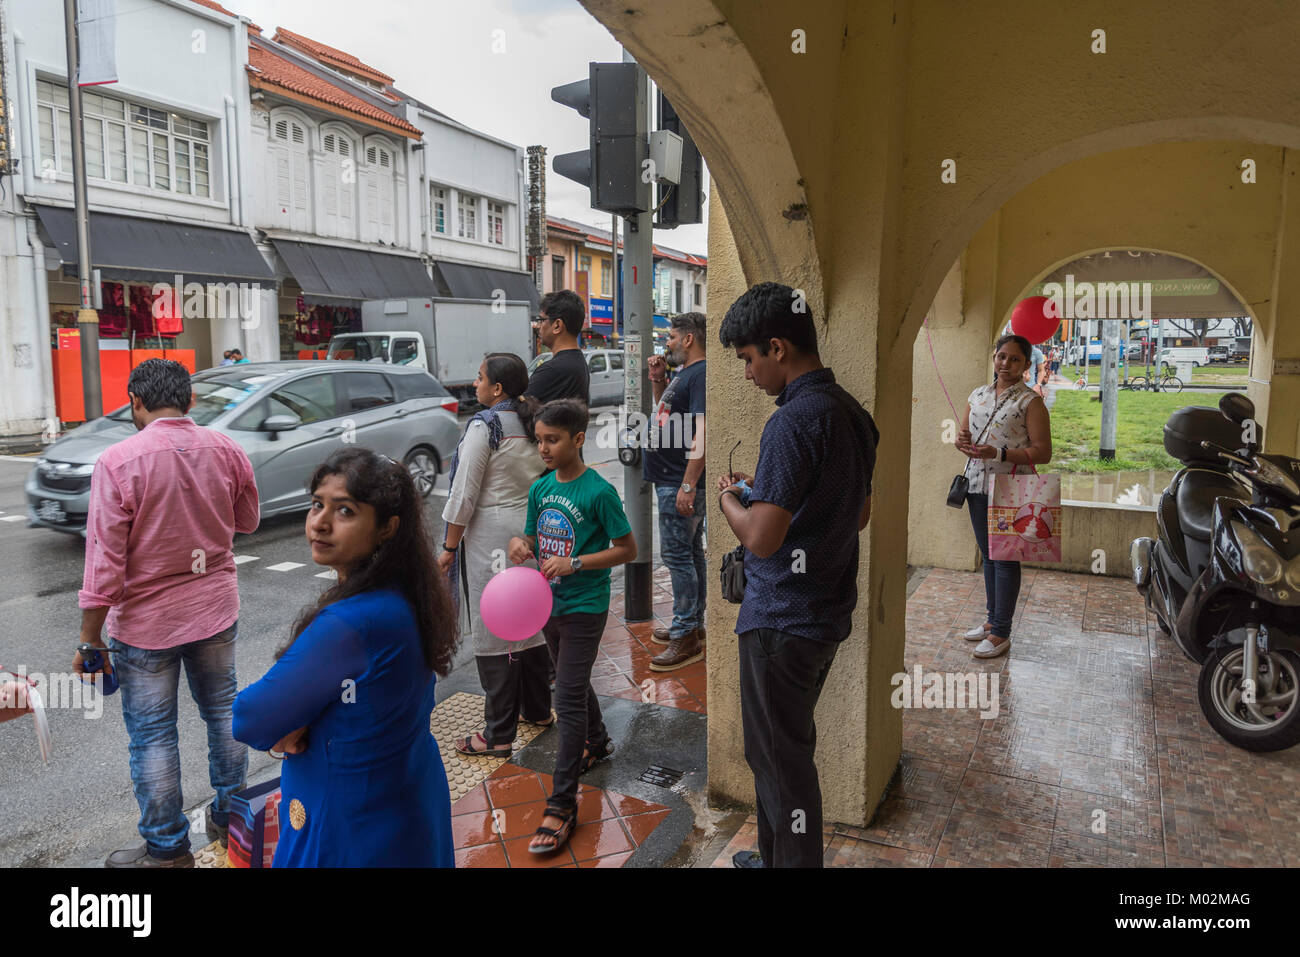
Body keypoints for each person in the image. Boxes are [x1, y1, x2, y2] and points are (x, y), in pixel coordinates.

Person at [715, 282, 878, 869]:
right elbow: (857, 514)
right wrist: (766, 495)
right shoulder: (853, 415)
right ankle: (772, 856)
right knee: (781, 752)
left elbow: (760, 536)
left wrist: (731, 500)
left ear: (777, 348)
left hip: (780, 621)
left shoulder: (791, 423)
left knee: (781, 765)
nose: (749, 374)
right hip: (825, 614)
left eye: (748, 360)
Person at [232, 449, 458, 867]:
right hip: (406, 797)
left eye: (345, 511)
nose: (320, 522)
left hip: (349, 824)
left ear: (387, 527)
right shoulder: (407, 592)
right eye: (318, 504)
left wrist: (294, 722)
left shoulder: (351, 622)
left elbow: (250, 716)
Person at [74, 358, 259, 868]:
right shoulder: (226, 448)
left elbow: (104, 560)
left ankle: (167, 847)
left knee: (154, 735)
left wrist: (90, 640)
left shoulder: (118, 461)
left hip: (145, 627)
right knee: (223, 714)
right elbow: (247, 519)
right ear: (190, 401)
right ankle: (232, 816)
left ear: (136, 402)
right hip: (216, 610)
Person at [508, 399, 636, 854]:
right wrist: (519, 545)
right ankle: (597, 741)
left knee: (565, 692)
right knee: (571, 680)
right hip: (548, 604)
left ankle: (562, 803)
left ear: (577, 439)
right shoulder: (541, 488)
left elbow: (627, 548)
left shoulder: (598, 491)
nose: (543, 448)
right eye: (539, 439)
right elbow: (529, 535)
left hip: (585, 604)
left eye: (553, 439)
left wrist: (576, 562)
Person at [440, 355, 553, 757]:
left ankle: (498, 733)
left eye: (480, 378)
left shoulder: (485, 425)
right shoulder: (534, 420)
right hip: (530, 532)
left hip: (491, 541)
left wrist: (449, 547)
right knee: (531, 622)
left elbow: (464, 494)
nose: (474, 384)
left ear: (498, 389)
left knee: (497, 630)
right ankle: (538, 709)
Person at [955, 333, 1053, 660]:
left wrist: (998, 452)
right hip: (976, 485)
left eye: (1015, 359)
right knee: (989, 555)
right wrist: (962, 442)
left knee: (1006, 559)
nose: (1006, 364)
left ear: (1026, 365)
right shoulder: (978, 394)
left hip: (1011, 489)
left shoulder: (1030, 401)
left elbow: (1042, 452)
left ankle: (1001, 633)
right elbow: (965, 433)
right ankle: (991, 620)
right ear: (994, 357)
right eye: (1001, 357)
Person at [643, 312, 708, 671]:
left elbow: (702, 432)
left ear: (687, 339)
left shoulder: (699, 374)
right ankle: (692, 625)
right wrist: (658, 381)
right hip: (671, 480)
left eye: (670, 337)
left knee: (678, 558)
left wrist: (688, 484)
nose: (666, 343)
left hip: (676, 483)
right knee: (690, 553)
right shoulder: (683, 374)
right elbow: (665, 415)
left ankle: (685, 636)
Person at [523, 291, 590, 405]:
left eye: (541, 320)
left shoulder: (552, 369)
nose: (538, 326)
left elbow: (519, 410)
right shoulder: (578, 362)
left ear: (557, 325)